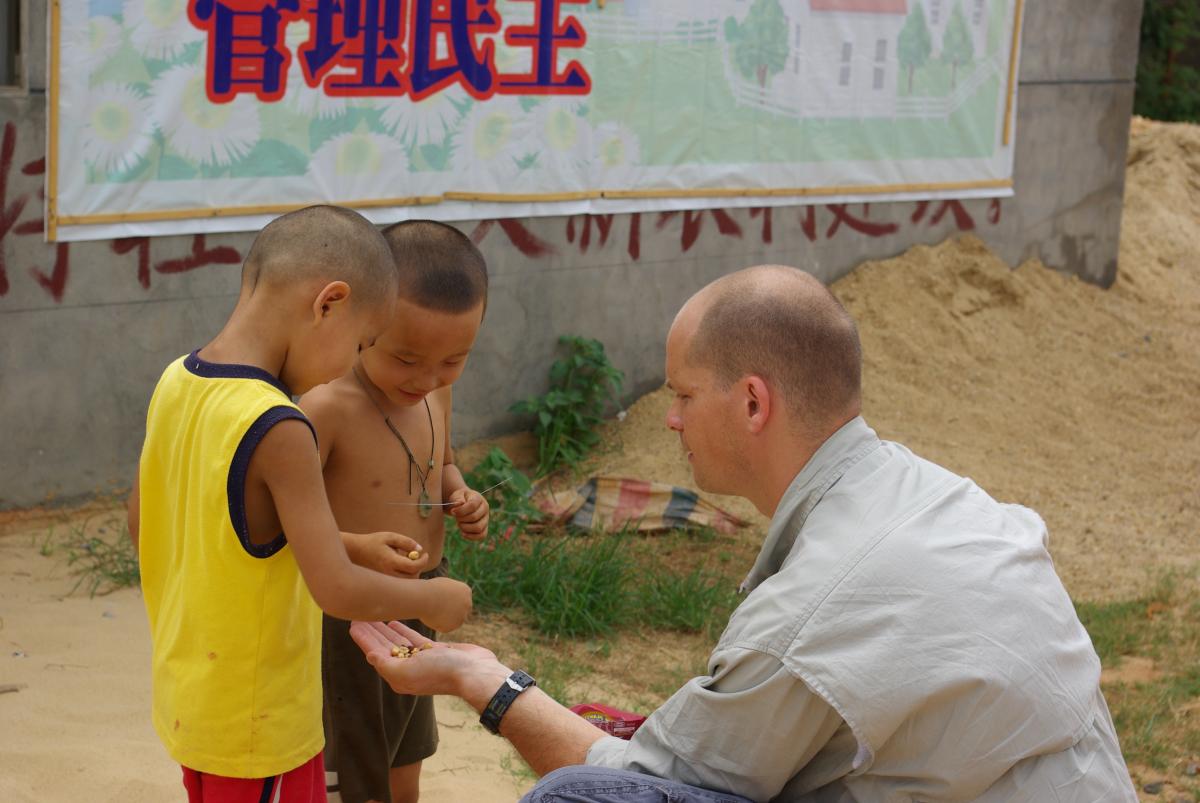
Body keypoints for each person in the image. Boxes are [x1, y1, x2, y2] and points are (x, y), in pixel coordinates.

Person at [346, 264, 1139, 802]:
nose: (672, 416)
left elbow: (650, 775)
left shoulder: (817, 603)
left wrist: (486, 680)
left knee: (581, 796)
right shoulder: (933, 493)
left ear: (754, 403)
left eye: (686, 393)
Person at [126, 205, 473, 803]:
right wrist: (435, 599)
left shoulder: (175, 381)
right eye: (362, 341)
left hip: (193, 696)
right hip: (261, 722)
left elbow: (155, 523)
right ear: (328, 304)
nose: (349, 364)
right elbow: (335, 590)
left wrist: (350, 543)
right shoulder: (280, 425)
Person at [300, 220, 491, 803]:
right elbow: (283, 520)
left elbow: (442, 462)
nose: (428, 378)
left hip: (418, 601)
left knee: (407, 746)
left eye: (453, 360)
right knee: (356, 757)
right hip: (351, 613)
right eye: (406, 358)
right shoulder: (326, 405)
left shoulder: (435, 391)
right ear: (365, 323)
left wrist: (461, 493)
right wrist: (353, 545)